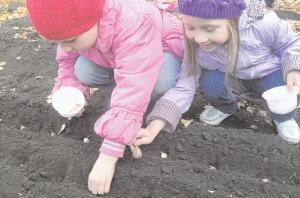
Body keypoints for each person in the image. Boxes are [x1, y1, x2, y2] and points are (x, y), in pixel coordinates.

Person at [26, 0, 183, 195]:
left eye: (71, 40)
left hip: (160, 47)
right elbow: (67, 63)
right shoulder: (77, 28)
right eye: (58, 42)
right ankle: (123, 98)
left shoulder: (134, 22)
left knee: (160, 82)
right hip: (115, 53)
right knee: (82, 70)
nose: (65, 48)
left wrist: (109, 155)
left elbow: (136, 79)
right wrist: (71, 89)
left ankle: (133, 104)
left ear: (95, 19)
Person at [134, 0, 300, 149]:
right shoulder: (193, 47)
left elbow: (291, 42)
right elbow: (183, 86)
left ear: (232, 21)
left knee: (288, 87)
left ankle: (283, 118)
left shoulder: (261, 24)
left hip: (268, 71)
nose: (199, 38)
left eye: (210, 29)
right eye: (190, 27)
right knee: (211, 84)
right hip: (231, 77)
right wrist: (155, 125)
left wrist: (294, 68)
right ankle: (226, 107)